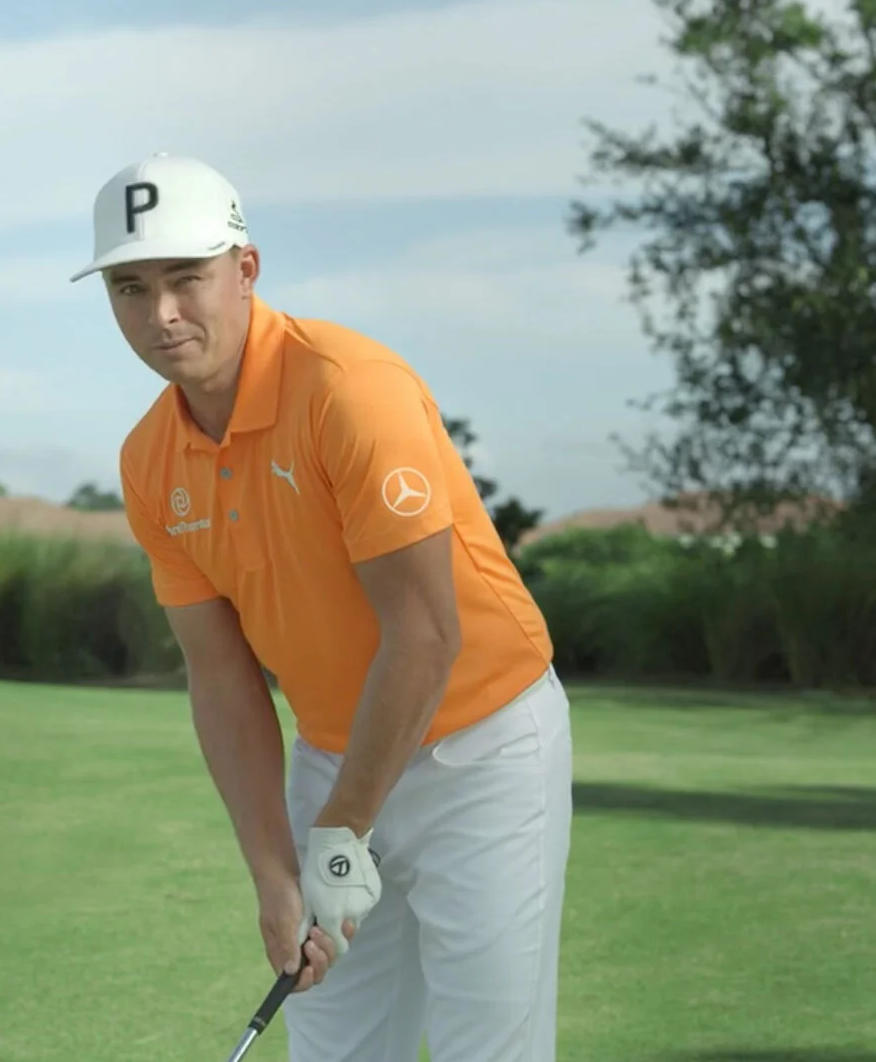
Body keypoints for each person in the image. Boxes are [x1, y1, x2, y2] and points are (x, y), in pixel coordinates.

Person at [69, 152, 573, 1062]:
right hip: (331, 754)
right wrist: (275, 869)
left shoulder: (349, 389)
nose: (161, 314)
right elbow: (220, 677)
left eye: (186, 278)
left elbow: (426, 634)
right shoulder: (148, 461)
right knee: (335, 1048)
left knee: (486, 1046)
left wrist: (341, 835)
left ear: (246, 270)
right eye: (130, 288)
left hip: (483, 747)